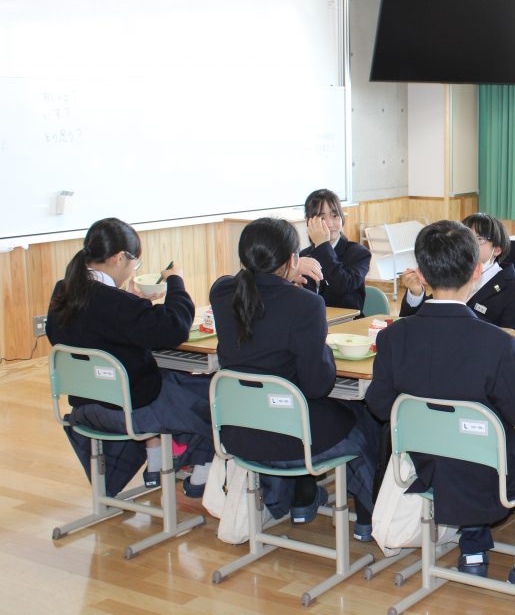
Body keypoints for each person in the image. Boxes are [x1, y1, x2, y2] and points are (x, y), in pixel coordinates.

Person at [367, 220, 515, 595]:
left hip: (425, 467)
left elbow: (379, 405)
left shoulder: (393, 336)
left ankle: (472, 552)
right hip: (489, 474)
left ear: (423, 274)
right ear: (476, 272)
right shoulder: (497, 342)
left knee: (465, 441)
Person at [209, 218, 378, 534]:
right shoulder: (305, 305)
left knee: (317, 413)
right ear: (292, 258)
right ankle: (370, 518)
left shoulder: (222, 293)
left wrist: (284, 275)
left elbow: (241, 284)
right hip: (292, 439)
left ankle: (302, 499)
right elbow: (318, 384)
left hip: (239, 432)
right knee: (364, 417)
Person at [46, 217, 212, 497]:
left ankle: (158, 464)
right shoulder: (114, 302)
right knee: (212, 394)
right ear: (119, 257)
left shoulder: (63, 291)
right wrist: (176, 282)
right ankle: (202, 472)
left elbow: (103, 327)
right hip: (128, 409)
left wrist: (136, 304)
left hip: (85, 406)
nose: (134, 268)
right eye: (135, 261)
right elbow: (174, 328)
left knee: (175, 382)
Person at [400, 213, 515, 330]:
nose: (468, 244)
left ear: (497, 249)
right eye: (464, 238)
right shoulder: (451, 270)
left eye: (478, 239)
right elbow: (415, 325)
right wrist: (416, 294)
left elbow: (514, 343)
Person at [298, 188, 371, 314]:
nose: (330, 224)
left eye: (335, 216)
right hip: (311, 322)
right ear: (308, 221)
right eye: (321, 217)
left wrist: (322, 246)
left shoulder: (359, 253)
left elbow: (342, 285)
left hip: (347, 323)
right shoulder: (303, 256)